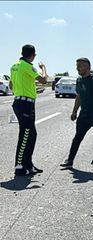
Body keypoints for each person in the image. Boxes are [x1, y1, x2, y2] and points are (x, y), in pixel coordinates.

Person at [60, 57, 93, 168]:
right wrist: (74, 111)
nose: (77, 68)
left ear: (87, 67)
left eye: (79, 66)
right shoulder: (79, 80)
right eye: (77, 66)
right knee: (77, 138)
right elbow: (78, 96)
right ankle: (69, 161)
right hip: (84, 115)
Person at [9, 44, 48, 176]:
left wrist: (28, 87)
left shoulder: (14, 66)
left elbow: (11, 84)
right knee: (25, 135)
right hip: (25, 104)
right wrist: (43, 68)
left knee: (31, 134)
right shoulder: (28, 66)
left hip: (19, 102)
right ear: (33, 55)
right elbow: (43, 80)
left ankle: (28, 165)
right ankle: (19, 166)